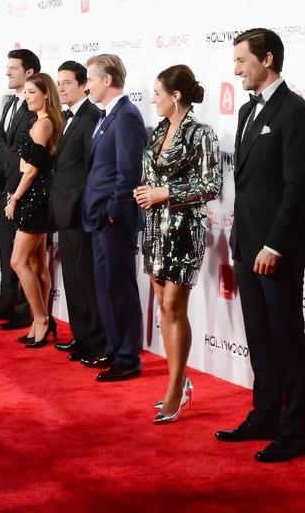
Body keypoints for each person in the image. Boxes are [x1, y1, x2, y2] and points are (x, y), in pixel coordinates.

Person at [216, 28, 305, 464]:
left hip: (278, 248)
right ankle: (264, 416)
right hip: (246, 244)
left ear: (268, 59)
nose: (236, 69)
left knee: (287, 339)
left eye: (242, 61)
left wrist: (274, 245)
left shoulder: (296, 112)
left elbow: (297, 188)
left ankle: (294, 431)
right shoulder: (246, 110)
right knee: (260, 339)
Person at [134, 65, 222, 422]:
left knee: (174, 305)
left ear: (176, 96)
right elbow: (153, 174)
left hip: (184, 229)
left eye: (157, 93)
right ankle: (179, 381)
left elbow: (212, 184)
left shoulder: (202, 133)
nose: (152, 99)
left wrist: (165, 192)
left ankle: (174, 390)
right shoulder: (159, 131)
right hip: (156, 227)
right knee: (162, 305)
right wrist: (146, 192)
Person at [81, 54, 147, 382]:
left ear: (107, 80)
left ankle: (127, 358)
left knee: (119, 288)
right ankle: (113, 347)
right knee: (106, 288)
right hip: (100, 218)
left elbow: (129, 172)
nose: (86, 86)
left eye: (90, 79)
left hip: (114, 221)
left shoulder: (127, 116)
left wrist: (112, 213)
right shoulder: (108, 115)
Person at [49, 61, 106, 362]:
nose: (61, 87)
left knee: (86, 278)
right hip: (64, 210)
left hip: (80, 210)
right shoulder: (65, 116)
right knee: (72, 277)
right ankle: (81, 336)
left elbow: (92, 168)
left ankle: (96, 341)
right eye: (58, 82)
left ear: (84, 85)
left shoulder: (92, 116)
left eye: (67, 82)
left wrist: (82, 204)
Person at [0, 49, 39, 331]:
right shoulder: (8, 103)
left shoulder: (36, 107)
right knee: (6, 250)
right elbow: (1, 147)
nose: (7, 72)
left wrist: (15, 187)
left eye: (13, 68)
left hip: (25, 190)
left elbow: (26, 154)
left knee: (24, 257)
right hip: (5, 188)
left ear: (29, 72)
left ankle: (25, 311)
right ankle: (6, 304)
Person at [4, 73, 62, 347]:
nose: (26, 97)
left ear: (45, 94)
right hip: (35, 195)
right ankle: (40, 319)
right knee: (37, 263)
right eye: (25, 92)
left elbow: (31, 171)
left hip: (34, 197)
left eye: (31, 92)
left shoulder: (44, 124)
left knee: (18, 262)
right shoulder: (38, 121)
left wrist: (14, 198)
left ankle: (40, 318)